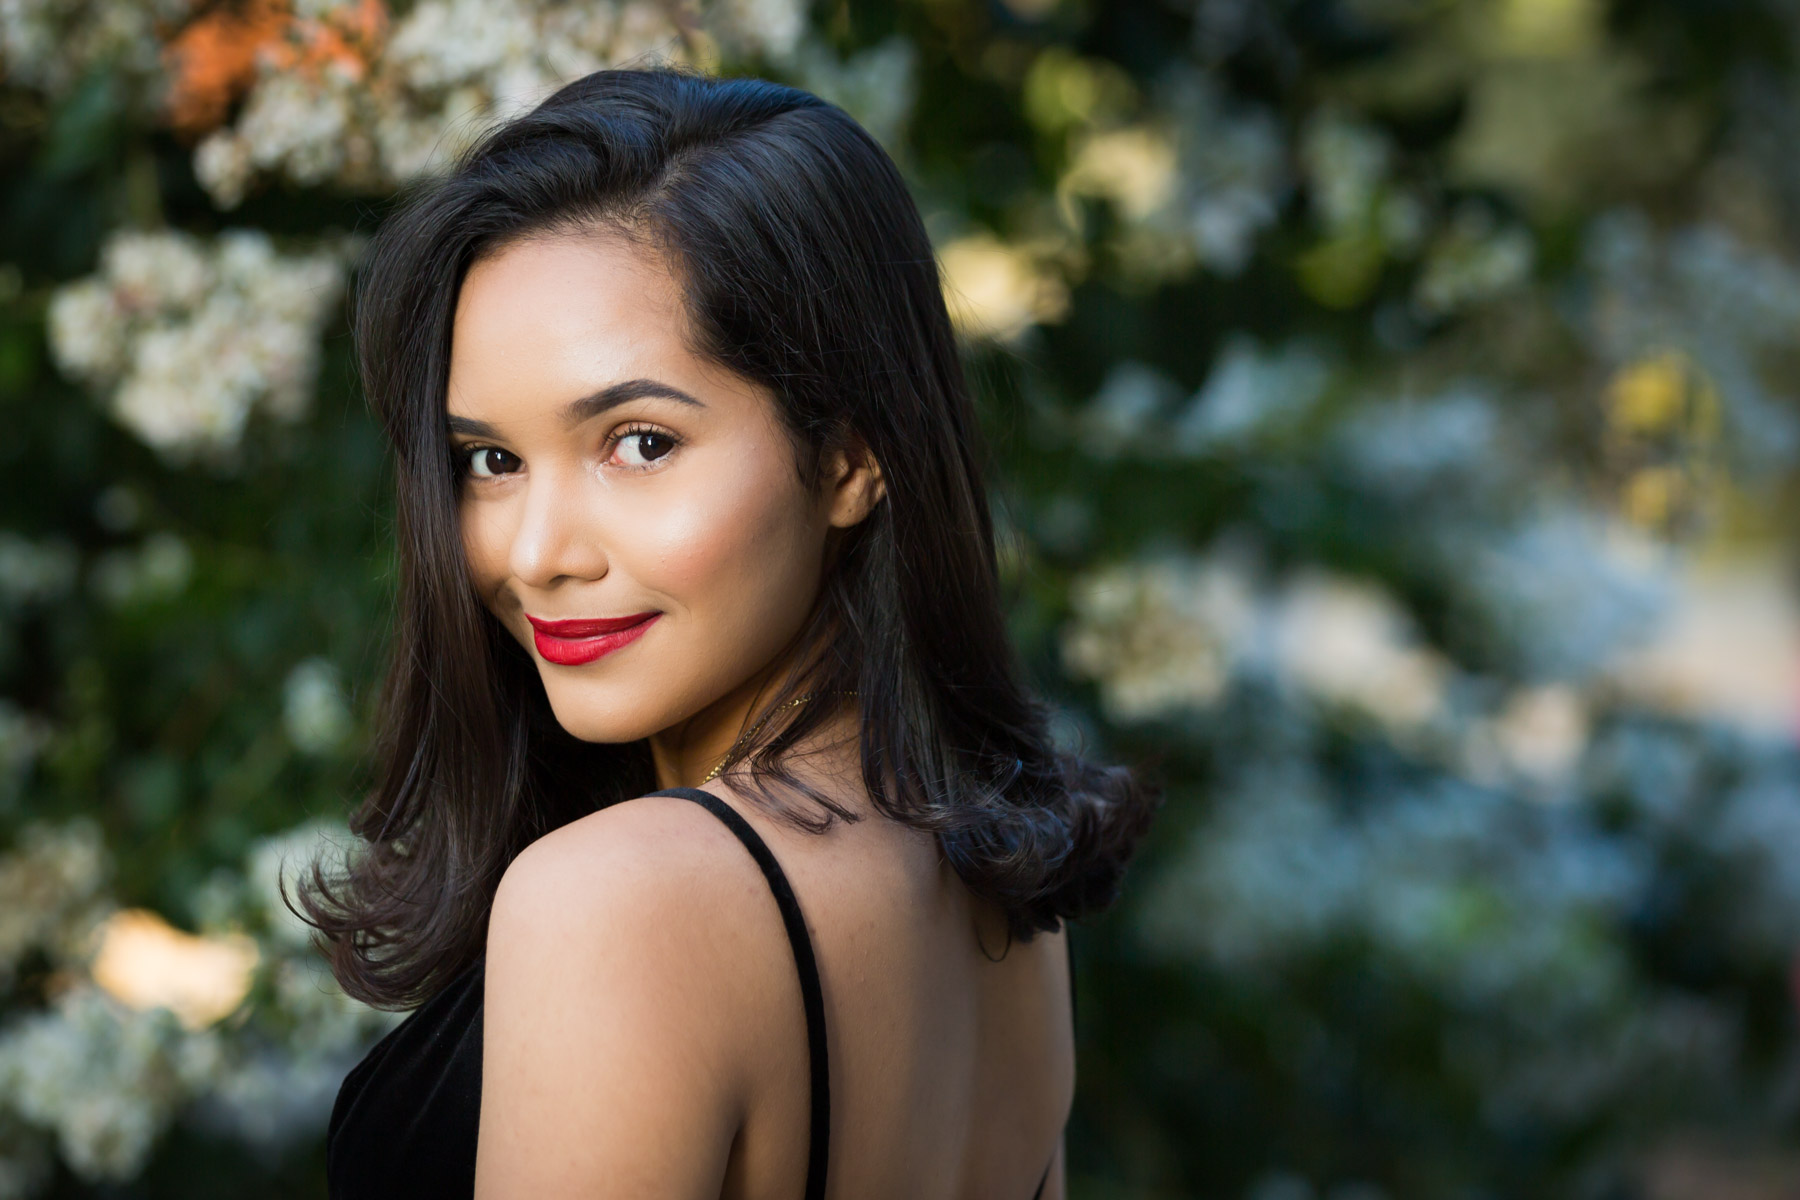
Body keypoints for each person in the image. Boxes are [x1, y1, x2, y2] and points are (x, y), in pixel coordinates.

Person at [299, 64, 1161, 1200]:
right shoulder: (997, 880)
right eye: (490, 462)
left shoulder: (620, 903)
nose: (535, 551)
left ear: (852, 457)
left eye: (639, 442)